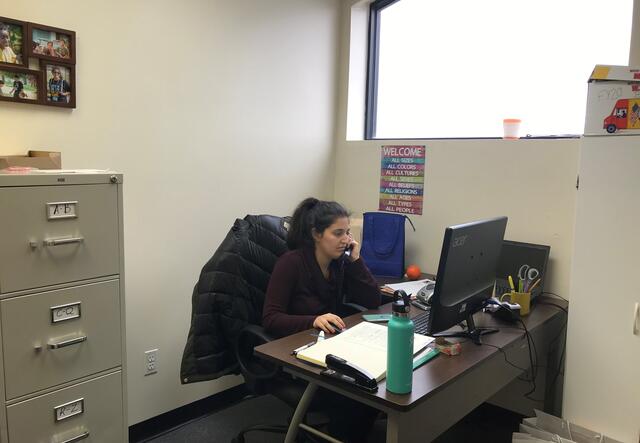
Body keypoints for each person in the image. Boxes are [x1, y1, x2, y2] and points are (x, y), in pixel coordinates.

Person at [262, 198, 382, 443]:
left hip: (331, 345)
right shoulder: (291, 263)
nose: (346, 239)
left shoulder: (339, 263)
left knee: (373, 384)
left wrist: (356, 260)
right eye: (338, 233)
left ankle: (343, 433)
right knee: (357, 393)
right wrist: (314, 320)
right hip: (296, 350)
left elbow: (373, 299)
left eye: (347, 232)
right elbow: (271, 318)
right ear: (316, 234)